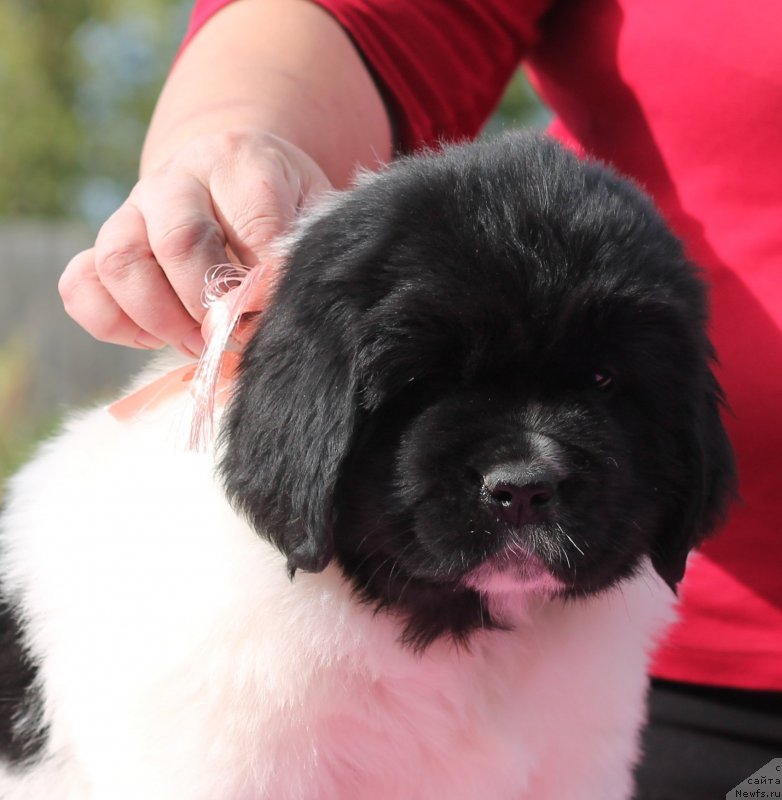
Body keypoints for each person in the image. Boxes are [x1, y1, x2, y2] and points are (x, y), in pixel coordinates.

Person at [59, 1, 782, 797]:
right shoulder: (218, 611)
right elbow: (364, 17)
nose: (528, 470)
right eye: (431, 382)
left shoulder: (605, 623)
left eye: (603, 385)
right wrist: (237, 144)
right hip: (706, 702)